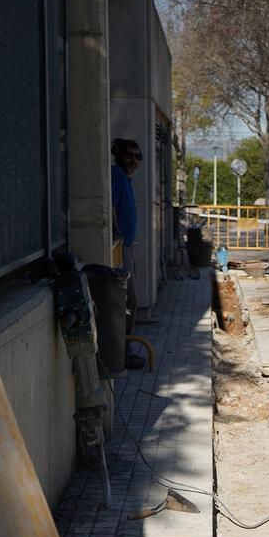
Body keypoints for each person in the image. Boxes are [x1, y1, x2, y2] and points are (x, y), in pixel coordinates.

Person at [111, 138, 145, 370]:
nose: (133, 160)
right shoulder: (115, 175)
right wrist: (118, 235)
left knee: (130, 300)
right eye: (128, 155)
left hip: (128, 247)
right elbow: (110, 206)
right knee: (128, 300)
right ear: (117, 155)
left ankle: (124, 347)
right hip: (120, 248)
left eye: (137, 156)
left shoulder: (125, 179)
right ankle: (121, 350)